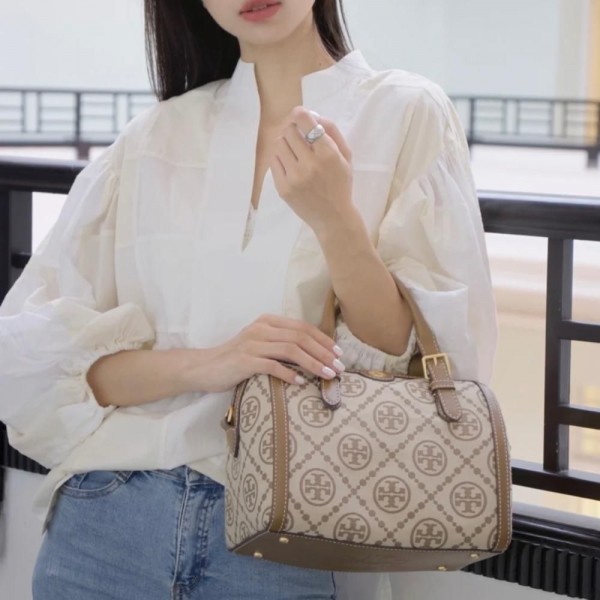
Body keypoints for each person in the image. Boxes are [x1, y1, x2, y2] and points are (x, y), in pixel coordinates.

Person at [0, 1, 497, 599]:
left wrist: (335, 219)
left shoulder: (405, 112)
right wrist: (209, 363)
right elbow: (40, 368)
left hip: (292, 538)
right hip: (108, 524)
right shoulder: (154, 136)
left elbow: (428, 365)